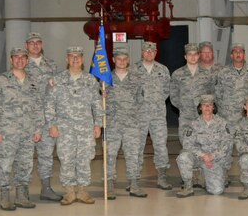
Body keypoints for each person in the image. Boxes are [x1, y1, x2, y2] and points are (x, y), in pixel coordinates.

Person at [0, 46, 44, 210]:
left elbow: (38, 107)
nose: (19, 60)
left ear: (27, 60)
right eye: (16, 57)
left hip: (28, 132)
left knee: (25, 165)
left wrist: (38, 129)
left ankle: (21, 196)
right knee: (5, 165)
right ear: (11, 60)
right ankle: (5, 197)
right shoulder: (1, 80)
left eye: (23, 57)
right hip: (7, 133)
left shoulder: (33, 81)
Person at [45, 47, 103, 205]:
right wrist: (52, 125)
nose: (75, 59)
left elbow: (97, 104)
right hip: (65, 128)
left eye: (78, 56)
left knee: (85, 159)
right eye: (71, 56)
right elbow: (49, 104)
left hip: (85, 128)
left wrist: (98, 124)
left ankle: (83, 191)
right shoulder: (57, 80)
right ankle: (69, 192)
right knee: (66, 159)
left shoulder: (90, 80)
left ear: (83, 60)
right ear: (66, 59)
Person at [24, 31, 62, 201]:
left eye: (38, 42)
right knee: (24, 155)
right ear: (27, 46)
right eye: (31, 43)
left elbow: (56, 92)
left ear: (42, 45)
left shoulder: (51, 65)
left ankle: (46, 188)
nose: (35, 45)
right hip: (27, 118)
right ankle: (22, 189)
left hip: (47, 118)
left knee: (46, 154)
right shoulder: (21, 64)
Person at [105, 47, 147, 199]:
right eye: (118, 59)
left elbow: (141, 102)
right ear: (113, 60)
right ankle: (109, 185)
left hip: (131, 124)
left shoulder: (136, 79)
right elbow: (98, 102)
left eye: (124, 59)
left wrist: (138, 122)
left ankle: (134, 184)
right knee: (110, 155)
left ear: (128, 60)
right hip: (112, 124)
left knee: (133, 155)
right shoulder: (106, 79)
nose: (122, 61)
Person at [176, 95, 232, 197]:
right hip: (198, 158)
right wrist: (203, 155)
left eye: (210, 105)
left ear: (213, 107)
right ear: (200, 107)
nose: (207, 107)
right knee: (183, 157)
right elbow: (187, 144)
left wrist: (212, 156)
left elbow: (226, 144)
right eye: (204, 105)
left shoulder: (222, 123)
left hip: (214, 159)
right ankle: (188, 186)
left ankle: (202, 176)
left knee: (217, 191)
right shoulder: (193, 124)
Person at [134, 41, 172, 190]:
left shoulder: (163, 69)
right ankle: (134, 178)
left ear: (156, 53)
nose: (149, 53)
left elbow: (166, 91)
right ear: (142, 52)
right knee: (137, 147)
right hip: (139, 116)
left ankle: (162, 176)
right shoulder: (133, 69)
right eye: (146, 51)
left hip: (157, 116)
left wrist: (154, 101)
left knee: (161, 146)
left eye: (152, 51)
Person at [170, 43, 214, 145]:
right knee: (186, 143)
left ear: (199, 56)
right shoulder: (178, 74)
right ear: (185, 57)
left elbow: (212, 93)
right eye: (190, 54)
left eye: (195, 54)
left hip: (202, 115)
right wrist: (183, 107)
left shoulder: (207, 74)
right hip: (186, 116)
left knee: (204, 144)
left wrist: (206, 108)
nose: (193, 57)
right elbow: (173, 95)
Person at [215, 43, 248, 132]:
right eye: (235, 52)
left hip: (246, 117)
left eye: (241, 52)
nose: (238, 54)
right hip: (228, 117)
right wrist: (225, 109)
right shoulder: (223, 72)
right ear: (231, 55)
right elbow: (217, 94)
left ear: (244, 55)